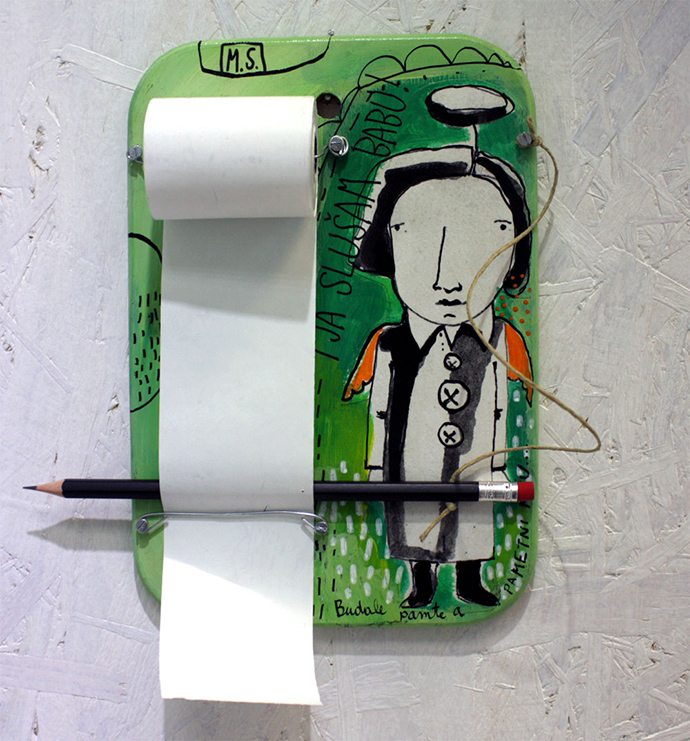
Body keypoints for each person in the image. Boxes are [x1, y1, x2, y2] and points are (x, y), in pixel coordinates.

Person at [343, 144, 533, 607]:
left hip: (478, 465)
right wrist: (376, 470)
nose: (447, 278)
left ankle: (469, 577)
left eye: (478, 242)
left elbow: (508, 402)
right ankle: (421, 578)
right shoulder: (389, 344)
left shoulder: (501, 342)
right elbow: (378, 407)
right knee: (414, 515)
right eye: (422, 241)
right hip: (408, 463)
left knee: (472, 519)